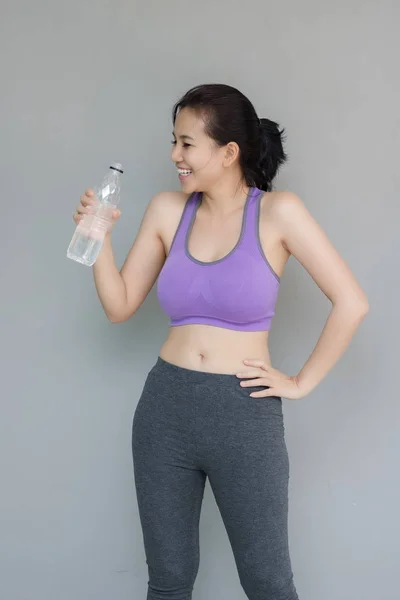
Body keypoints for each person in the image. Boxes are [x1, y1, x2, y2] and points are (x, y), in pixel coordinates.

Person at [73, 83, 369, 600]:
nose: (174, 156)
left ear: (228, 152)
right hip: (165, 410)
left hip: (243, 415)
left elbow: (352, 302)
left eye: (186, 144)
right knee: (168, 581)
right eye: (174, 141)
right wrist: (97, 239)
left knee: (268, 582)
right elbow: (119, 306)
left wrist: (299, 383)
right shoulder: (168, 210)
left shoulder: (279, 213)